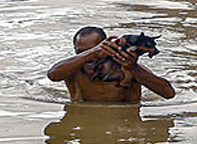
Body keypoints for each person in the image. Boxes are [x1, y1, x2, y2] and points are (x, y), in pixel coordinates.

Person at [47, 26, 176, 103]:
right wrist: (91, 53)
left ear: (107, 47)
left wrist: (134, 69)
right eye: (81, 52)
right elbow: (53, 75)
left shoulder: (125, 67)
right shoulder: (73, 67)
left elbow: (168, 93)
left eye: (95, 49)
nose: (91, 58)